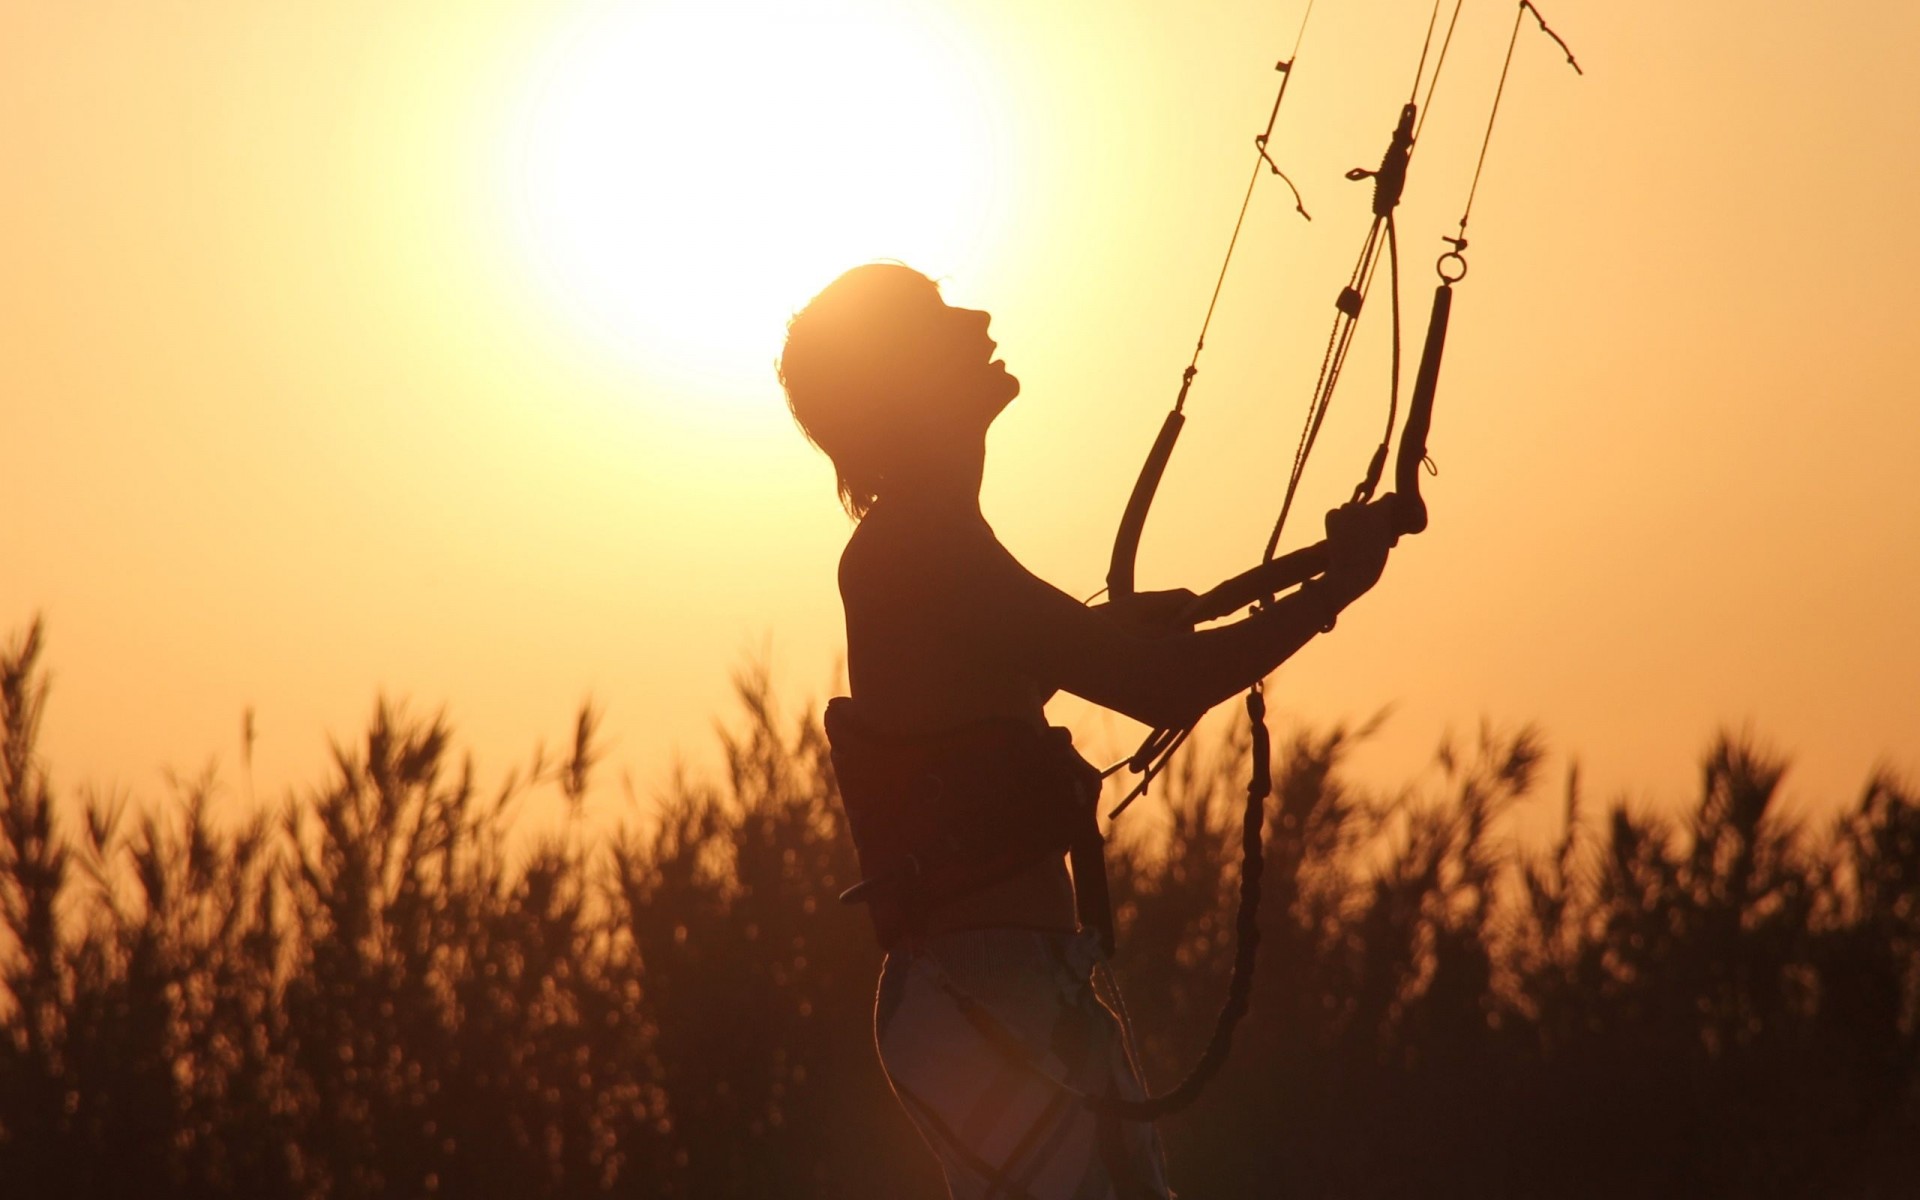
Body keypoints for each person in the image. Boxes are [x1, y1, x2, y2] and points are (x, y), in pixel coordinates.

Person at [778, 262, 1398, 1199]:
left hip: (1014, 991)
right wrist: (1335, 590)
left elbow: (1070, 655)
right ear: (899, 381)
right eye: (936, 315)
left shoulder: (937, 541)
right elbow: (1160, 685)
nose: (976, 315)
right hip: (983, 994)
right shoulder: (918, 548)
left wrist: (1144, 627)